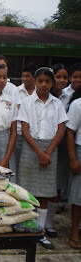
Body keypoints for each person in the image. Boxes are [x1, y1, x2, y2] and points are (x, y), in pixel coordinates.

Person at [17, 67, 68, 250]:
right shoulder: (27, 102)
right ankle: (27, 228)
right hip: (31, 149)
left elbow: (61, 129)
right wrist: (40, 153)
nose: (44, 84)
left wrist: (48, 152)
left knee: (45, 193)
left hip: (50, 149)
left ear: (52, 83)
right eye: (40, 81)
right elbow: (24, 129)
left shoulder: (57, 104)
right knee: (28, 192)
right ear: (35, 82)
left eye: (48, 81)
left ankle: (41, 230)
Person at [49, 64, 70, 219]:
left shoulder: (69, 97)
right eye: (58, 77)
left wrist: (49, 150)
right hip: (38, 145)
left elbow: (62, 128)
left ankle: (49, 221)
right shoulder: (34, 100)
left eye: (64, 77)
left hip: (60, 144)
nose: (61, 80)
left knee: (56, 183)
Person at [15, 64, 37, 182]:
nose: (25, 79)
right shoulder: (17, 91)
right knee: (19, 162)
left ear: (34, 78)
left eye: (27, 76)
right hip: (19, 132)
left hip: (34, 134)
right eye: (23, 76)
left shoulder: (38, 92)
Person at [66, 90, 81, 249]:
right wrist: (73, 158)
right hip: (80, 149)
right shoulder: (78, 104)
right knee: (78, 196)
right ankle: (74, 231)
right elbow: (70, 131)